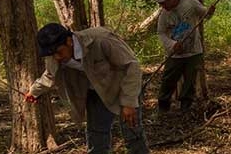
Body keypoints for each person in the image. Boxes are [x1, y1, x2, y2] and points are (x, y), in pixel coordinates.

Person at [26, 23, 149, 154]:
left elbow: (132, 67)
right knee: (96, 137)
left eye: (59, 52)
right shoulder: (55, 56)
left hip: (124, 88)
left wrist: (129, 102)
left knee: (132, 134)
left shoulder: (101, 39)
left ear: (69, 41)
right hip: (96, 93)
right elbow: (50, 75)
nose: (57, 57)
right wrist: (34, 92)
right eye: (52, 54)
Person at [154, 0, 215, 113]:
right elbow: (161, 33)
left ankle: (185, 107)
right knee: (168, 79)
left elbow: (204, 14)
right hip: (175, 55)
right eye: (161, 5)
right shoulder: (164, 15)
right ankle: (163, 107)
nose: (163, 7)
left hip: (194, 51)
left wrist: (209, 11)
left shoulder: (190, 3)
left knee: (190, 81)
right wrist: (172, 45)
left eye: (164, 3)